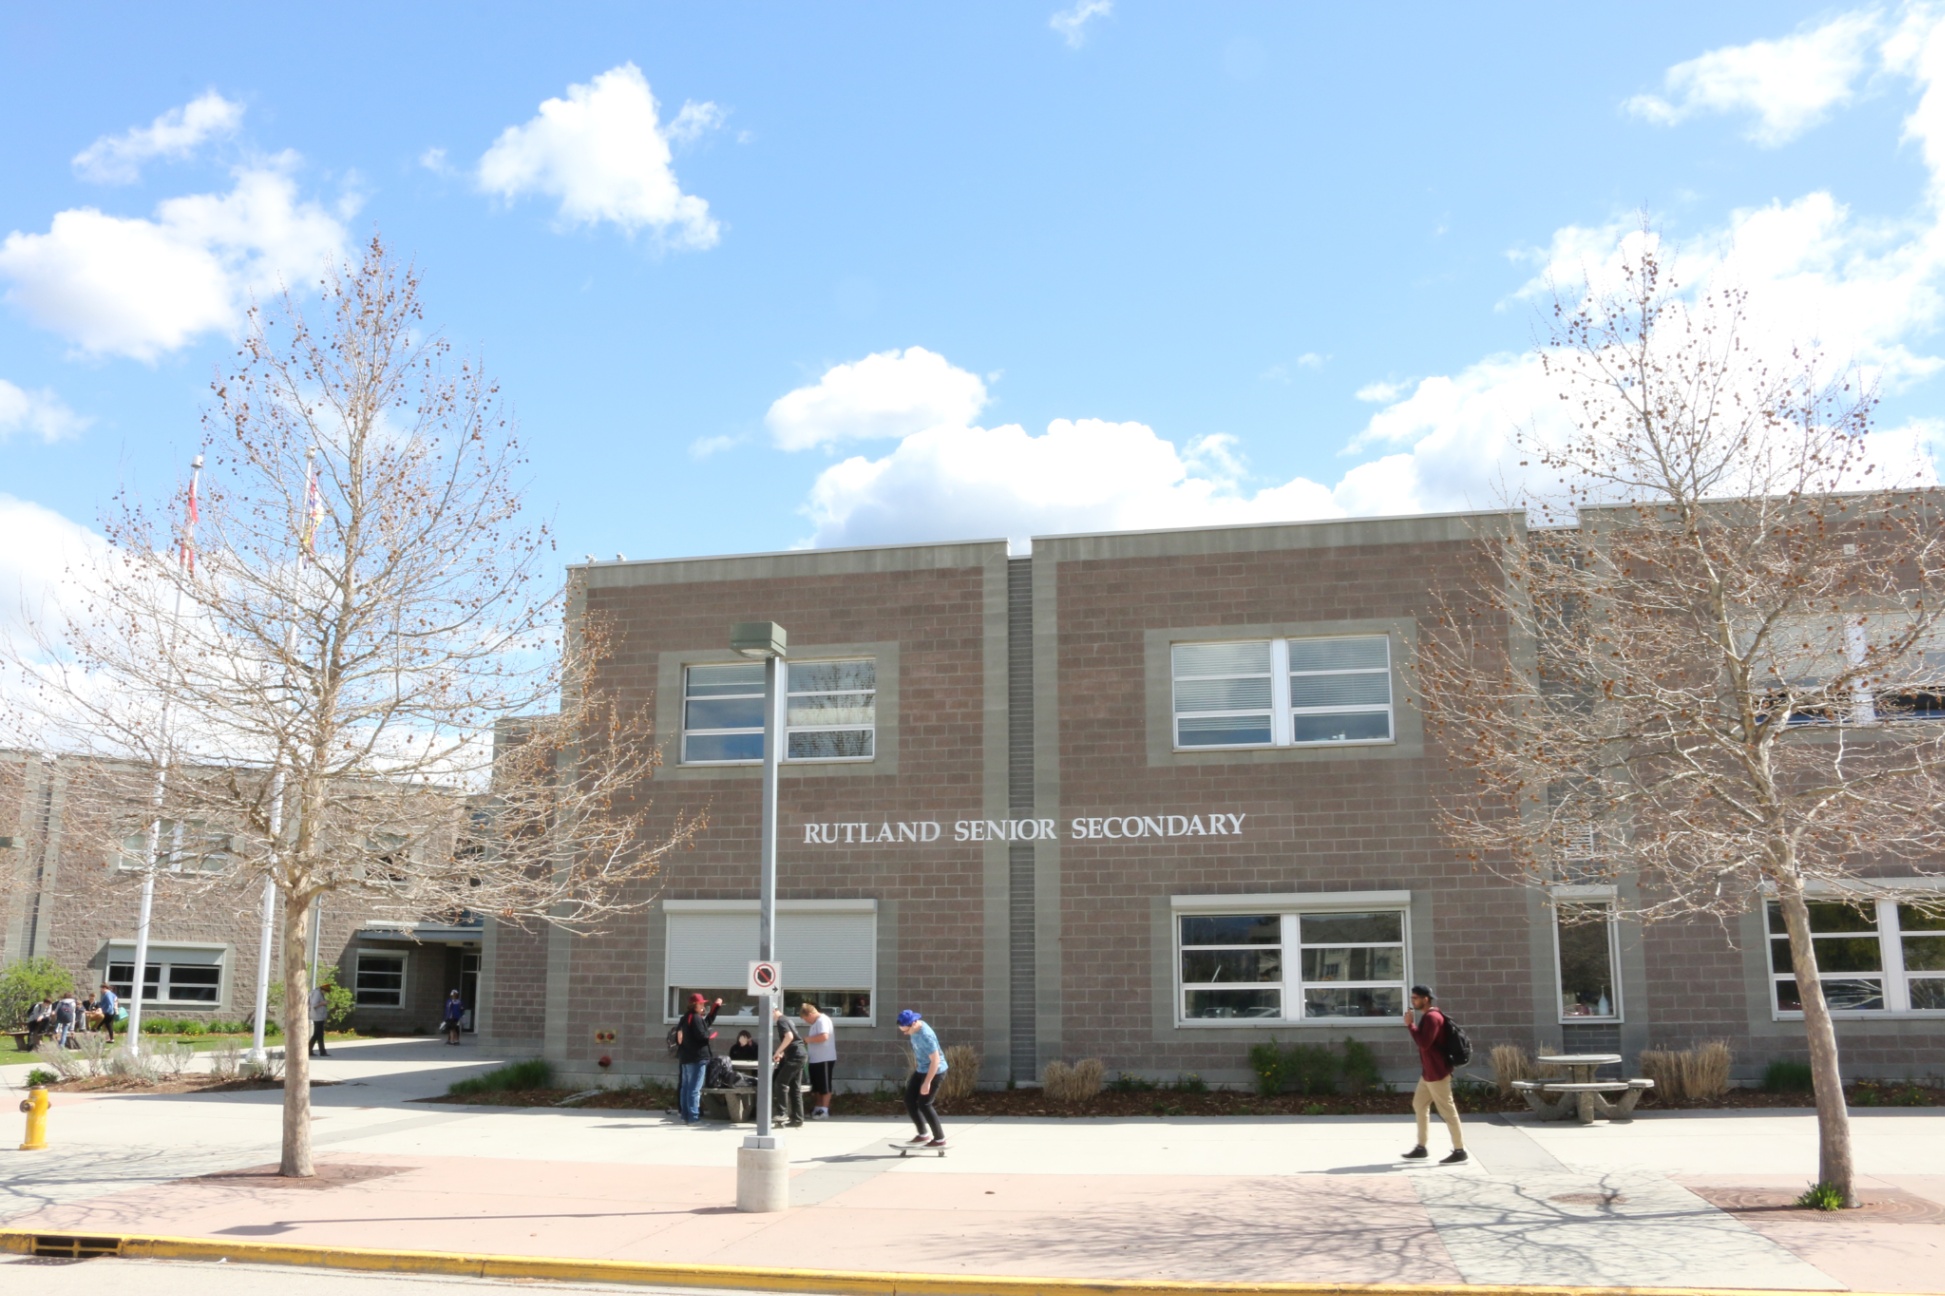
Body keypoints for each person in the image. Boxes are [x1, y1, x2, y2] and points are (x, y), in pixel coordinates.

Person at [1402, 983, 1466, 1164]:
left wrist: (1410, 1025)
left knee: (1448, 1111)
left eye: (1415, 998)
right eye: (1412, 998)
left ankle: (1460, 1151)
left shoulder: (1432, 1018)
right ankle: (1421, 1148)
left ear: (1426, 999)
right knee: (1419, 1104)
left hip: (1438, 1073)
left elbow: (1424, 1043)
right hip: (1428, 1073)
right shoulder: (1429, 1016)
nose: (1413, 1001)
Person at [895, 1008, 947, 1148]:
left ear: (913, 1024)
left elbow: (935, 1060)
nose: (905, 1034)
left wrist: (927, 1083)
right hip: (922, 1069)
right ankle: (923, 1134)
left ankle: (939, 1139)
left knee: (924, 1104)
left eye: (906, 1031)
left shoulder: (926, 1036)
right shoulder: (914, 1026)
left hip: (935, 1071)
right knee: (909, 1100)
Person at [673, 993, 722, 1125]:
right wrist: (710, 1035)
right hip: (697, 1057)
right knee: (694, 1089)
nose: (703, 1006)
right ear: (694, 1005)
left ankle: (685, 1115)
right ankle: (694, 1118)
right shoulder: (695, 1018)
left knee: (686, 1088)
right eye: (701, 1004)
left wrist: (716, 1008)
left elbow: (705, 1023)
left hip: (685, 1057)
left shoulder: (685, 1018)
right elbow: (702, 1034)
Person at [799, 1001, 836, 1119]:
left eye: (805, 1019)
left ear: (810, 1014)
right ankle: (818, 1107)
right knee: (817, 1086)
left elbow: (824, 1036)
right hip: (815, 1059)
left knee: (824, 1085)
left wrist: (807, 1039)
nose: (806, 1021)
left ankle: (824, 1110)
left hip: (824, 1058)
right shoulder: (815, 1023)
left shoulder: (822, 1020)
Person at [771, 1007, 805, 1127]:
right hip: (799, 1054)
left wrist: (778, 1051)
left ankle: (782, 1113)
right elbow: (793, 1039)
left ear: (773, 1010)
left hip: (795, 1056)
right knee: (795, 1088)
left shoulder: (781, 1021)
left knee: (780, 1083)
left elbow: (789, 1037)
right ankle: (797, 1119)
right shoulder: (787, 1019)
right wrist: (782, 1053)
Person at [308, 983, 331, 1057]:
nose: (326, 993)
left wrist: (323, 1003)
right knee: (320, 1034)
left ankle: (309, 1050)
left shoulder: (319, 993)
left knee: (316, 1034)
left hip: (319, 1016)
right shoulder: (317, 993)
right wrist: (322, 1003)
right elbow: (314, 1005)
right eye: (326, 991)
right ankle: (322, 1051)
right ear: (322, 989)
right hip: (317, 1016)